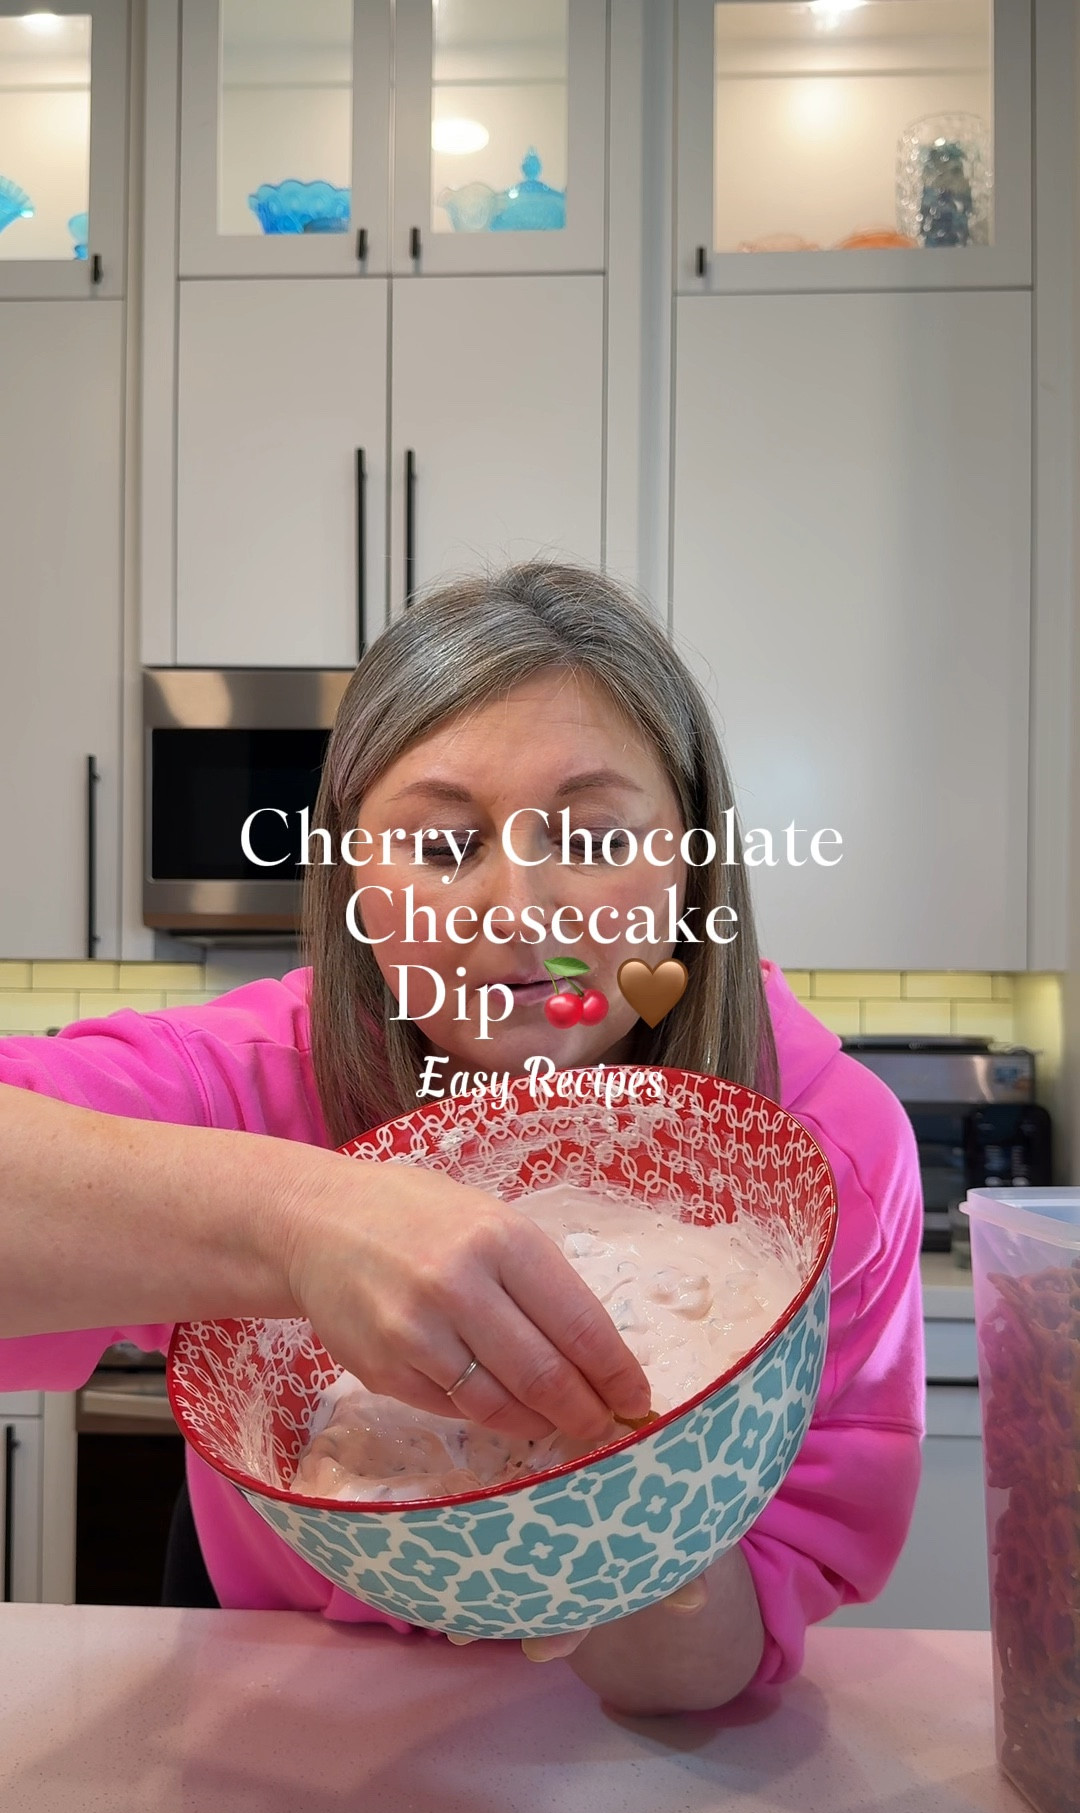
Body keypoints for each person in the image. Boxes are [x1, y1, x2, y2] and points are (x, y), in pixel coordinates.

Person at [0, 562, 924, 1715]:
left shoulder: (825, 1156)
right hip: (290, 1722)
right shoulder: (253, 1085)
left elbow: (716, 1661)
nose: (522, 914)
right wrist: (295, 1224)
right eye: (442, 850)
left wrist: (637, 1537)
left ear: (692, 857)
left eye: (592, 839)